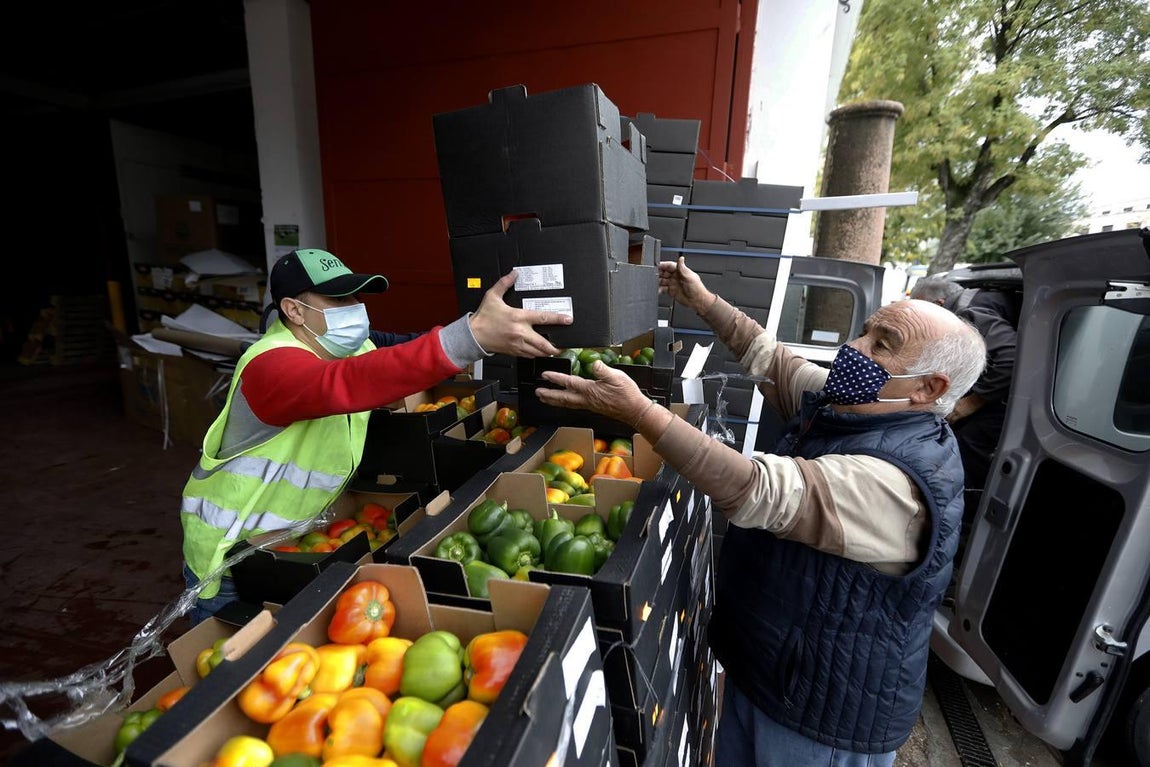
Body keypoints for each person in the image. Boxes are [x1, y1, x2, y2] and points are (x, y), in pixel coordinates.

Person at [536, 257, 987, 766]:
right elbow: (773, 360)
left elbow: (755, 489)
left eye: (883, 345)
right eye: (866, 331)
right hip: (772, 671)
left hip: (821, 716)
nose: (856, 347)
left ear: (929, 388)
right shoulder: (853, 409)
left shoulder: (898, 482)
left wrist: (639, 412)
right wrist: (702, 300)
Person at [181, 248, 570, 623]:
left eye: (356, 296)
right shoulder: (270, 367)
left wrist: (490, 327)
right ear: (294, 310)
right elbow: (351, 381)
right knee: (229, 661)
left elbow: (407, 351)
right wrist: (472, 336)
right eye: (339, 298)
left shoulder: (348, 347)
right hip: (234, 559)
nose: (355, 307)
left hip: (293, 548)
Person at [909, 277, 1017, 494]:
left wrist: (972, 402)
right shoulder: (973, 302)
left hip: (1012, 397)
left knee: (966, 443)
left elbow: (1011, 359)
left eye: (922, 312)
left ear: (939, 304)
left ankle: (962, 501)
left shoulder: (967, 313)